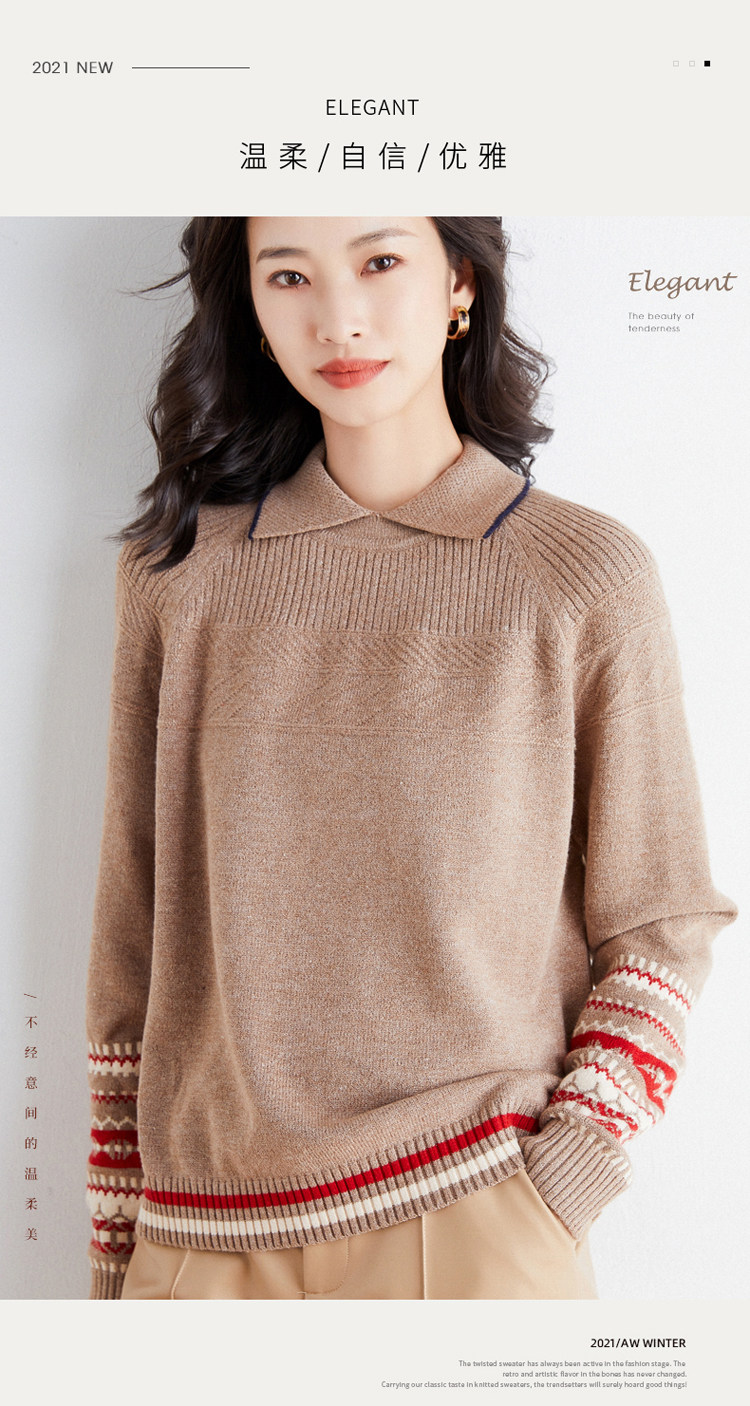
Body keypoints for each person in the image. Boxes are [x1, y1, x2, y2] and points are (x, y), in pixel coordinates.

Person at [84, 216, 737, 1301]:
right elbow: (130, 939)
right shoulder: (179, 577)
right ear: (251, 308)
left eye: (380, 262)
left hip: (475, 1214)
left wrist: (560, 1180)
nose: (337, 318)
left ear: (460, 284)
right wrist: (115, 1256)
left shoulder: (580, 578)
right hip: (202, 1242)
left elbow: (663, 920)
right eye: (288, 275)